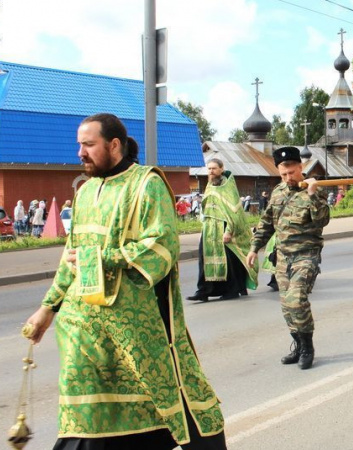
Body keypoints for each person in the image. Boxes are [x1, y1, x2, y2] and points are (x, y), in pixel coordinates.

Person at [23, 113, 226, 449]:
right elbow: (71, 257)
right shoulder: (86, 192)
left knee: (160, 396)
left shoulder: (147, 184)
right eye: (79, 145)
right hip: (84, 328)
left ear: (113, 145)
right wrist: (47, 308)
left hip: (131, 325)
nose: (80, 153)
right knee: (86, 415)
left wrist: (105, 257)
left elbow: (161, 245)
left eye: (88, 145)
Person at [246, 146, 330, 370]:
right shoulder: (278, 192)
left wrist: (312, 194)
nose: (288, 177)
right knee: (286, 305)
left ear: (300, 167)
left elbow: (321, 221)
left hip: (306, 254)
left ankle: (308, 347)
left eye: (291, 172)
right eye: (283, 174)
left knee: (297, 300)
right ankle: (298, 343)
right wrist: (255, 248)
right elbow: (266, 223)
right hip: (283, 256)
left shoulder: (316, 189)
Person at [187, 159, 258, 302]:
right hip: (209, 229)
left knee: (229, 260)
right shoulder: (209, 185)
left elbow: (234, 211)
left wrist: (229, 231)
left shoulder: (228, 186)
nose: (211, 171)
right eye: (209, 169)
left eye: (214, 168)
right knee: (204, 259)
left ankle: (231, 290)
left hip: (224, 227)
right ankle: (204, 290)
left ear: (221, 169)